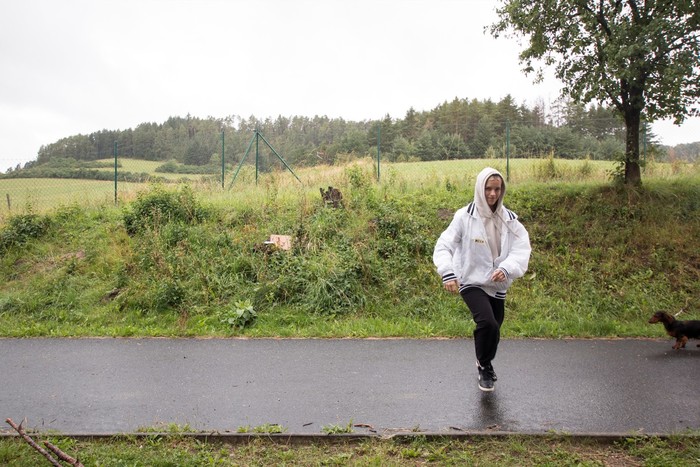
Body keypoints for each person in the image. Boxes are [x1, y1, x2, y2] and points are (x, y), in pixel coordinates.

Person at [433, 167, 531, 392]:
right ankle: (484, 367)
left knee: (495, 330)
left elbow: (521, 249)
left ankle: (484, 361)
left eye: (497, 189)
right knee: (487, 323)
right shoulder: (464, 217)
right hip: (471, 280)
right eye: (488, 189)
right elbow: (444, 245)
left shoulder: (510, 220)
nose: (493, 194)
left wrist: (506, 268)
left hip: (497, 284)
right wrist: (447, 272)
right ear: (479, 188)